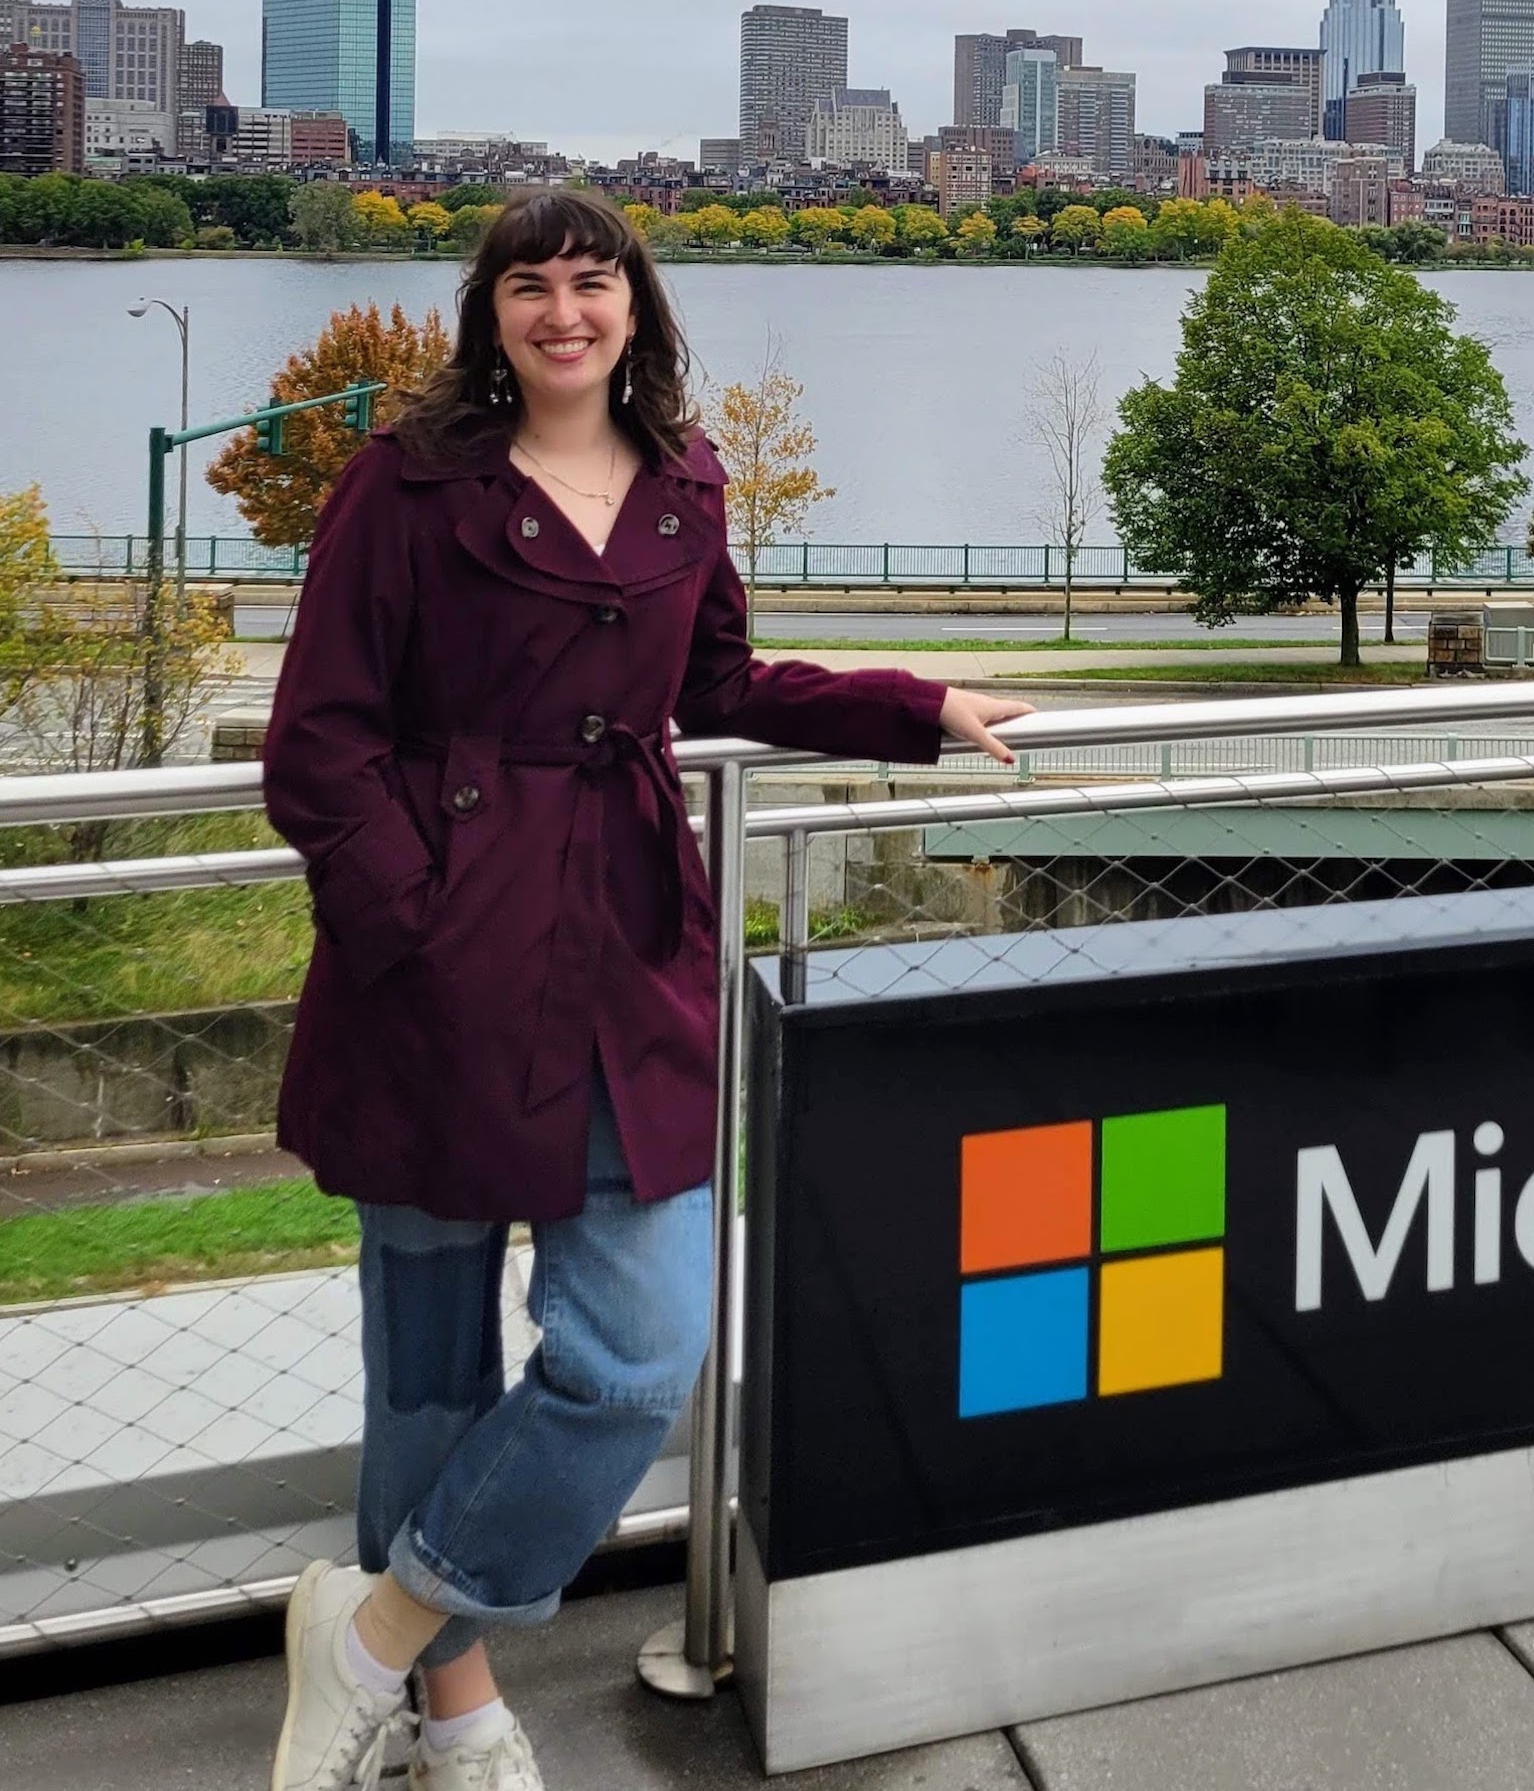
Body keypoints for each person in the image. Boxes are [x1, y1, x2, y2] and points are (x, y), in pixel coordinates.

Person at [261, 187, 1033, 1790]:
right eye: (530, 285)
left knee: (639, 1347)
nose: (564, 312)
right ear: (489, 315)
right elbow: (317, 738)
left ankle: (371, 1632)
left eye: (592, 282)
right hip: (432, 975)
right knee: (428, 1364)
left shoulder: (687, 481)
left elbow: (721, 686)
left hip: (620, 951)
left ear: (636, 308)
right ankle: (452, 1713)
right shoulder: (405, 488)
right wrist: (410, 912)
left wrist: (916, 699)